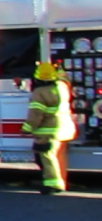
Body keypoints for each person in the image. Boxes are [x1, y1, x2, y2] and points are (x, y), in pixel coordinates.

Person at [21, 61, 77, 195]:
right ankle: (62, 181)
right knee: (60, 156)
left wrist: (27, 128)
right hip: (65, 130)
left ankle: (54, 184)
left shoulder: (39, 93)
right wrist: (59, 69)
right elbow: (65, 78)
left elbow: (36, 114)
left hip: (49, 132)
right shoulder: (62, 87)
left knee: (48, 157)